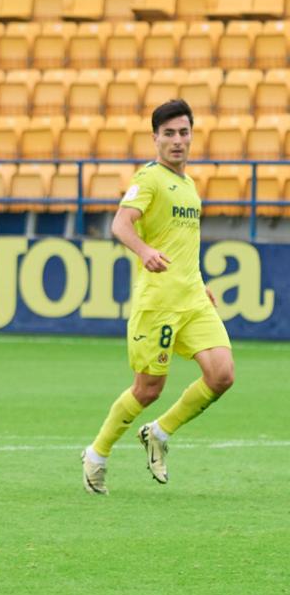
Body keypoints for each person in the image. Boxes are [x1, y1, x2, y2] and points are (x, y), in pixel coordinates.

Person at [81, 100, 236, 495]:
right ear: (155, 139)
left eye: (183, 132)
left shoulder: (189, 185)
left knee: (222, 375)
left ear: (191, 135)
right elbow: (120, 223)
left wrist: (198, 283)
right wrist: (144, 251)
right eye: (169, 133)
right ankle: (97, 454)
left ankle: (160, 432)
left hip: (193, 298)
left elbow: (181, 243)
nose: (177, 140)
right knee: (148, 389)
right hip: (159, 303)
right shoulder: (148, 179)